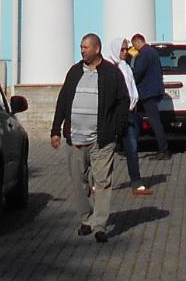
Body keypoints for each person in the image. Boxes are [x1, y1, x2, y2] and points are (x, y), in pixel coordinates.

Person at [50, 32, 131, 241]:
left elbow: (123, 101)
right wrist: (55, 130)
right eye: (81, 47)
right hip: (75, 138)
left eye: (86, 47)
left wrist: (116, 129)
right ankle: (86, 218)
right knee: (79, 181)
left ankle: (100, 225)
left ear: (97, 49)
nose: (82, 50)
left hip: (101, 140)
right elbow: (63, 99)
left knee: (102, 181)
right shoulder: (75, 72)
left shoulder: (111, 74)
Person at [129, 33, 171, 163]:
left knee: (154, 121)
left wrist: (131, 81)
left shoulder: (144, 53)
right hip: (153, 90)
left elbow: (139, 71)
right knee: (148, 119)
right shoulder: (152, 52)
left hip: (147, 92)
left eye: (134, 45)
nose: (134, 48)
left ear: (137, 42)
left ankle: (163, 149)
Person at [115, 41, 146, 194]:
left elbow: (132, 87)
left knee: (132, 149)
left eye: (127, 49)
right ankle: (97, 181)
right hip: (117, 115)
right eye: (122, 49)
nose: (125, 52)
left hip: (131, 113)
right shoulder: (112, 69)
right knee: (107, 150)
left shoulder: (126, 66)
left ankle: (136, 181)